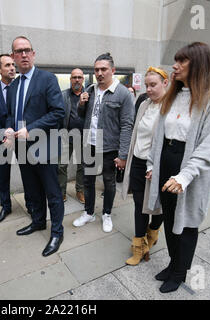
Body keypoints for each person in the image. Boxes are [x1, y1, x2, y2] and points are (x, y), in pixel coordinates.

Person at [146, 42, 210, 293]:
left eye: (182, 61)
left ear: (199, 64)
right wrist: (153, 163)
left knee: (186, 223)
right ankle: (173, 263)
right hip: (167, 159)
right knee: (167, 216)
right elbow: (160, 134)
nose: (175, 66)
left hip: (190, 169)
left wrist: (185, 175)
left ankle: (179, 272)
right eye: (176, 60)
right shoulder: (174, 93)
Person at [4, 36, 65, 257]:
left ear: (33, 53)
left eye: (27, 50)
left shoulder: (47, 79)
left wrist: (32, 129)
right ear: (13, 56)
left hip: (44, 147)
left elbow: (58, 112)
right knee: (32, 191)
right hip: (22, 149)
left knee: (52, 193)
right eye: (19, 51)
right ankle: (38, 222)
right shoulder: (13, 86)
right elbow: (12, 114)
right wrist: (10, 130)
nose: (23, 54)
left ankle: (57, 232)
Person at [73, 52, 134, 233]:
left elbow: (127, 125)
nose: (99, 73)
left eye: (103, 69)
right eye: (96, 69)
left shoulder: (122, 93)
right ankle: (89, 212)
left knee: (109, 182)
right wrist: (81, 104)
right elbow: (82, 116)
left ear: (112, 70)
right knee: (88, 180)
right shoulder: (90, 90)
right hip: (90, 143)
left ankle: (106, 213)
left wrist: (123, 154)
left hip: (110, 146)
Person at [121, 67, 168, 266]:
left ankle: (153, 233)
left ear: (165, 83)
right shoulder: (143, 104)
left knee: (159, 206)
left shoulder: (171, 108)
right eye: (147, 85)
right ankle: (139, 247)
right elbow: (135, 132)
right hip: (138, 163)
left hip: (158, 166)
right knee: (140, 205)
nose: (148, 89)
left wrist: (155, 166)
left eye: (153, 85)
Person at [0, 54, 33, 223]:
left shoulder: (23, 87)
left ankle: (31, 205)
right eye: (7, 65)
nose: (12, 68)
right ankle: (5, 207)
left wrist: (16, 133)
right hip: (2, 143)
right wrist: (4, 134)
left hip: (22, 140)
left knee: (28, 176)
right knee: (3, 177)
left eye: (13, 64)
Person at [58, 68, 85, 204]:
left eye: (79, 77)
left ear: (83, 79)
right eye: (74, 77)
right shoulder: (63, 95)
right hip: (66, 136)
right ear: (70, 79)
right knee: (61, 165)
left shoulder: (89, 95)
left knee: (82, 166)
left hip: (83, 137)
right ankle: (61, 192)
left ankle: (80, 191)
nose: (77, 80)